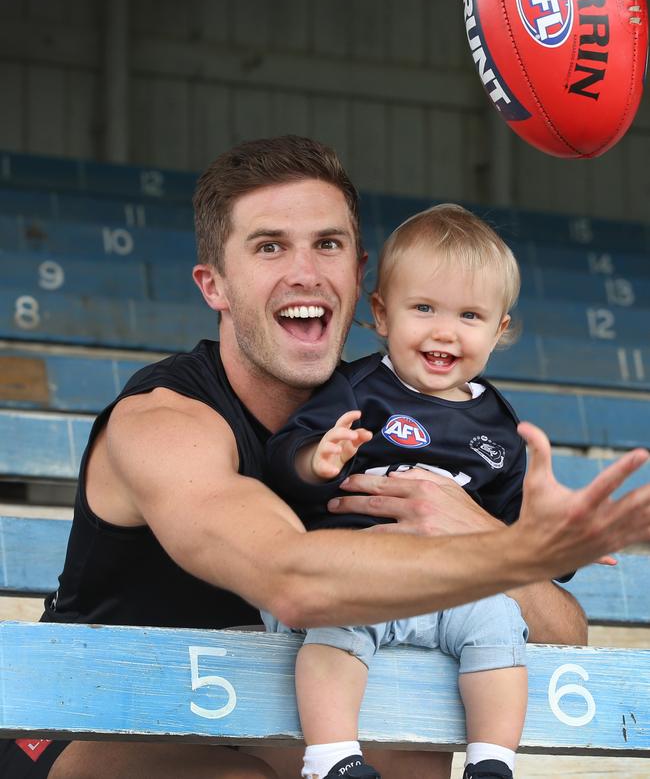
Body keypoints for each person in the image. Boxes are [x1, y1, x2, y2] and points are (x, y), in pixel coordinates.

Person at [4, 136, 649, 779]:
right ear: (215, 285)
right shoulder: (166, 420)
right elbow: (294, 583)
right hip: (91, 721)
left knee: (409, 751)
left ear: (360, 272)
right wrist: (504, 554)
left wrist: (477, 530)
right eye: (269, 246)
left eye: (327, 244)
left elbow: (561, 635)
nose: (305, 272)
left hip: (254, 717)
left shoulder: (388, 413)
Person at [263, 204, 549, 779]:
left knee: (499, 623)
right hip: (360, 575)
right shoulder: (357, 388)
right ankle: (332, 758)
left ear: (499, 330)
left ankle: (492, 762)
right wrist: (316, 459)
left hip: (447, 590)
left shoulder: (500, 425)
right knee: (335, 623)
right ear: (382, 313)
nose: (444, 330)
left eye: (469, 315)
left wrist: (555, 536)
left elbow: (516, 531)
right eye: (423, 308)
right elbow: (279, 458)